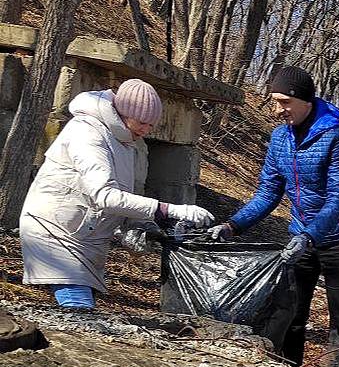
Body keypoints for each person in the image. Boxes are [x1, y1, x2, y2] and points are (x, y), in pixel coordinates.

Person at [209, 66, 339, 367]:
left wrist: (310, 236)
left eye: (285, 102)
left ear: (306, 100)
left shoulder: (337, 138)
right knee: (291, 312)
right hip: (299, 238)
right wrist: (232, 225)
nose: (278, 110)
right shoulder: (280, 138)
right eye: (275, 101)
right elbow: (267, 192)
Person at [19, 80, 214, 308]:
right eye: (142, 122)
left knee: (81, 308)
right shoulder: (87, 133)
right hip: (54, 229)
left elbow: (122, 194)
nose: (146, 130)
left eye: (151, 125)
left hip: (85, 232)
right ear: (123, 113)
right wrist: (169, 209)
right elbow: (104, 195)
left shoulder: (125, 140)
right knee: (77, 306)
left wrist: (140, 225)